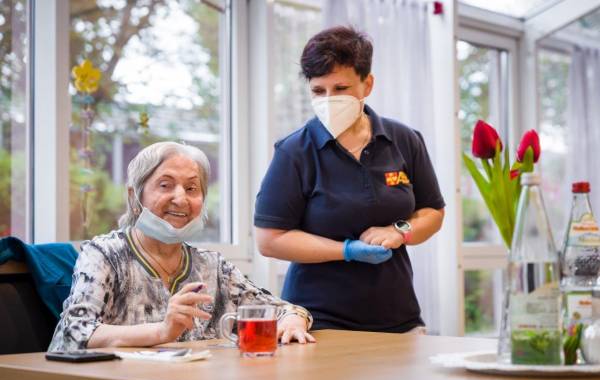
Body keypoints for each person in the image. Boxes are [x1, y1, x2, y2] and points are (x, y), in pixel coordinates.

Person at [254, 26, 445, 333]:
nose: (329, 99)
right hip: (318, 321)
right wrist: (346, 250)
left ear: (367, 84)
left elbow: (433, 213)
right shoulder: (294, 152)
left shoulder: (404, 140)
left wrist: (400, 230)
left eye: (340, 88)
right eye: (318, 90)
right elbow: (269, 240)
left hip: (399, 319)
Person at [49, 142, 314, 351]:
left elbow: (284, 309)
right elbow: (72, 333)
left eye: (192, 188)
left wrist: (291, 321)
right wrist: (162, 331)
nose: (181, 198)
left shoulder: (212, 266)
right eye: (165, 185)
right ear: (134, 196)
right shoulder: (104, 255)